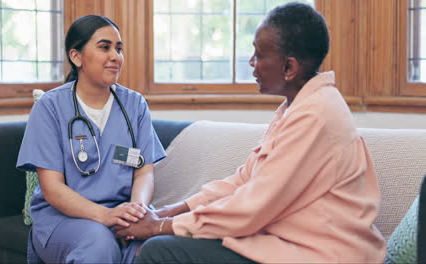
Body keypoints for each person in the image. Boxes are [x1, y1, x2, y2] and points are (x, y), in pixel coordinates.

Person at [116, 2, 387, 263]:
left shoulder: (316, 115)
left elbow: (250, 209)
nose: (251, 63)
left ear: (289, 68)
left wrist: (160, 226)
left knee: (159, 251)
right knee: (160, 243)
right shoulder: (299, 105)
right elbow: (244, 179)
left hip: (321, 254)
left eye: (259, 55)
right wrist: (169, 212)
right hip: (288, 243)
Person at [17, 15, 166, 264]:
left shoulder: (135, 105)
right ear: (76, 57)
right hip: (63, 218)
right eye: (105, 47)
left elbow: (144, 173)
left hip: (120, 211)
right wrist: (105, 215)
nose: (115, 56)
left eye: (119, 49)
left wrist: (136, 213)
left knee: (152, 245)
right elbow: (52, 189)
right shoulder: (50, 107)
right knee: (98, 244)